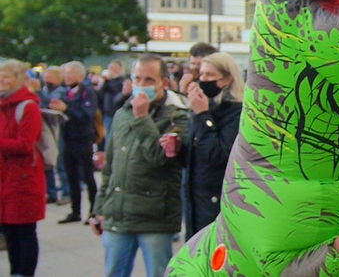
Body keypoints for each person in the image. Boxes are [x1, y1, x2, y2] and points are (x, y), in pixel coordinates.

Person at [91, 54, 191, 277]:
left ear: (164, 83)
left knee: (158, 271)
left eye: (149, 80)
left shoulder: (177, 115)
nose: (141, 86)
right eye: (137, 79)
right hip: (118, 214)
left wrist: (142, 118)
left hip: (155, 216)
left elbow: (160, 158)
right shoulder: (122, 113)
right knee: (114, 270)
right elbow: (111, 166)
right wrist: (99, 208)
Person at [166, 52, 243, 240]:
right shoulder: (202, 106)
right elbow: (196, 156)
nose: (203, 80)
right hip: (195, 196)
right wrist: (178, 150)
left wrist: (203, 116)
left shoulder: (235, 111)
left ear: (226, 80)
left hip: (217, 198)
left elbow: (219, 155)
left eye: (209, 75)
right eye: (201, 75)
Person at [0, 59, 45, 277]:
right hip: (5, 180)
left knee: (25, 232)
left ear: (19, 80)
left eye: (6, 76)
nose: (1, 81)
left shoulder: (28, 107)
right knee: (9, 232)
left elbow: (26, 145)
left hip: (23, 180)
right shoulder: (2, 105)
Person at [49, 61, 99, 224]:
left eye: (70, 73)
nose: (67, 76)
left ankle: (94, 210)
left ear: (80, 75)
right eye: (65, 73)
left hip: (83, 138)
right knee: (71, 175)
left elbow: (86, 115)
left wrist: (66, 109)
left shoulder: (87, 92)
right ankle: (75, 210)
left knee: (87, 175)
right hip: (68, 137)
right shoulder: (64, 92)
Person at [38, 67, 70, 205]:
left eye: (49, 77)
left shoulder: (62, 91)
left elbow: (50, 103)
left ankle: (66, 192)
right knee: (48, 161)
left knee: (60, 162)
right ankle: (51, 192)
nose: (46, 80)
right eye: (45, 77)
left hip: (58, 131)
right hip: (45, 129)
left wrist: (38, 91)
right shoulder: (45, 90)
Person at [98, 60, 127, 142]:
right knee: (108, 136)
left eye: (115, 68)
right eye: (111, 68)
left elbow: (117, 94)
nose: (112, 70)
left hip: (118, 112)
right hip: (107, 112)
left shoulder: (122, 81)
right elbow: (100, 92)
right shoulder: (107, 81)